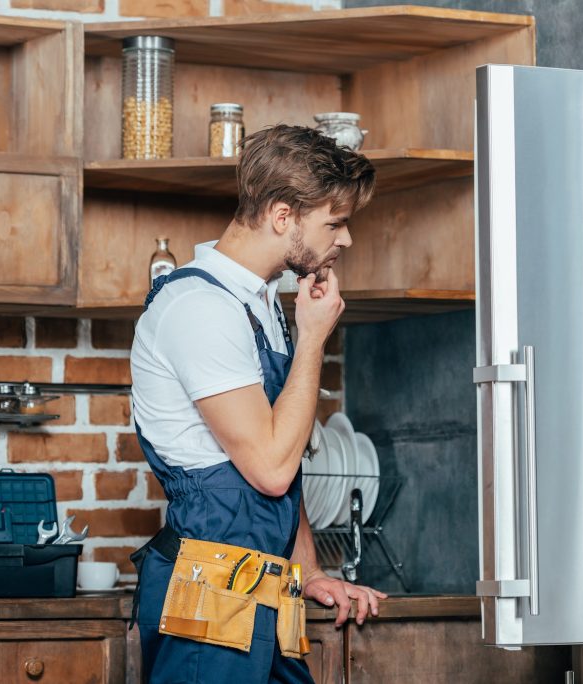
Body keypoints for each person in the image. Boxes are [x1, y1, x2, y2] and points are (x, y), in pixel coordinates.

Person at [129, 124, 387, 683]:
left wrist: (310, 570)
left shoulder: (259, 305)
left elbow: (281, 461)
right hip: (211, 589)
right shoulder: (201, 307)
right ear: (282, 215)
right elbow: (269, 470)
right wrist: (315, 338)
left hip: (269, 588)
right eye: (334, 223)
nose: (345, 241)